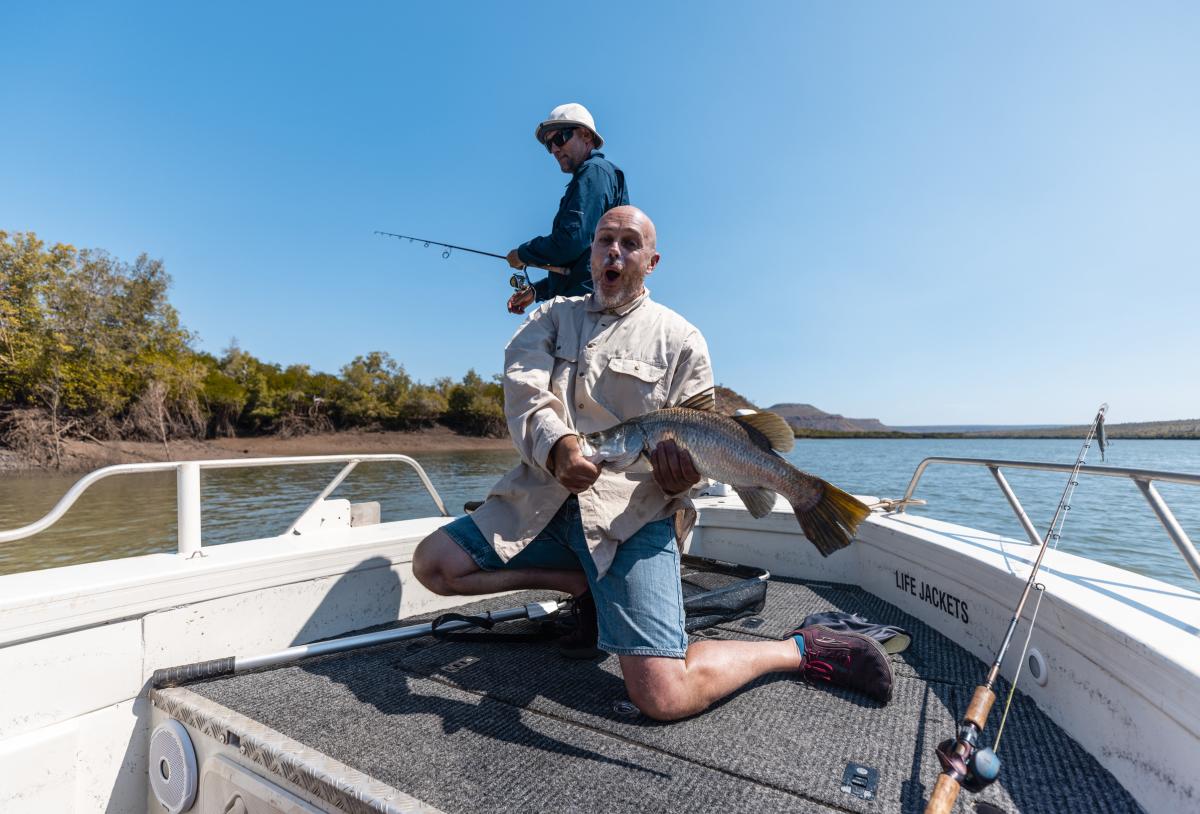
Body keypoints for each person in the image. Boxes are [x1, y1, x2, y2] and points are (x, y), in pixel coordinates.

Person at [415, 206, 893, 720]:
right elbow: (524, 389)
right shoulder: (550, 317)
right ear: (592, 254)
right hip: (543, 502)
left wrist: (688, 474)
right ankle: (581, 585)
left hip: (635, 516)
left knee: (664, 698)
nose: (613, 251)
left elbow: (707, 435)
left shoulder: (681, 337)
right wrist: (557, 446)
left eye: (628, 243)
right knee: (434, 565)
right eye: (603, 241)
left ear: (651, 261)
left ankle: (800, 647)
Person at [504, 103, 629, 315]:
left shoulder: (593, 173)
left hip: (589, 309)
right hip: (589, 303)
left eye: (559, 139)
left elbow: (570, 242)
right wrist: (536, 291)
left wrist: (523, 254)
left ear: (586, 135)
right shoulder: (595, 175)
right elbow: (579, 261)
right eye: (548, 144)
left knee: (521, 346)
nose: (553, 149)